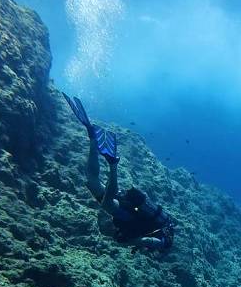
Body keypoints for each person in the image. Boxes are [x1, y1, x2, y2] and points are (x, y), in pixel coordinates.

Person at [67, 93, 174, 253]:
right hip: (131, 214)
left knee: (92, 180)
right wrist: (131, 242)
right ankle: (113, 165)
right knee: (107, 204)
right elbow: (146, 240)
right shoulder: (163, 243)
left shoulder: (164, 228)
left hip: (131, 208)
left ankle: (93, 140)